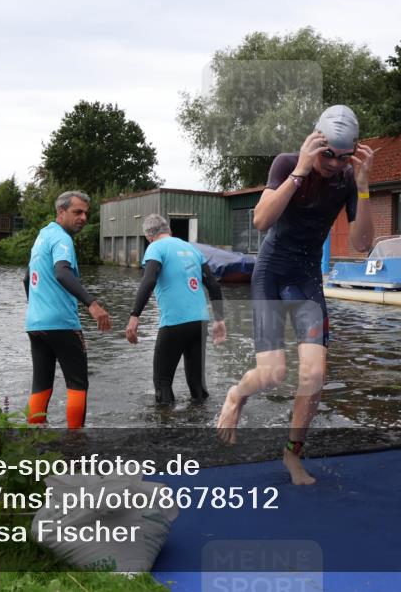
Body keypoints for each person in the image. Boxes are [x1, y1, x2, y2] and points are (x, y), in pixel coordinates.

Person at [217, 105, 375, 485]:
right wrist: (301, 172)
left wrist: (365, 186)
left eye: (343, 157)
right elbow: (261, 220)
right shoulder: (288, 163)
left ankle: (292, 456)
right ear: (315, 141)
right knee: (273, 374)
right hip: (271, 272)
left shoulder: (349, 179)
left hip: (306, 279)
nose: (334, 164)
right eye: (327, 155)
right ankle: (237, 395)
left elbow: (363, 245)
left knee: (315, 374)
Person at [23, 191, 112, 427]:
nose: (83, 217)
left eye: (86, 213)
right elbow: (62, 272)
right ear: (61, 212)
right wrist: (92, 304)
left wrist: (37, 308)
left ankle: (33, 438)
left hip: (35, 324)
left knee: (41, 382)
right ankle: (75, 444)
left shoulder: (42, 236)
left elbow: (26, 278)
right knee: (77, 384)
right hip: (62, 323)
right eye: (77, 212)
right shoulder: (62, 239)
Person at [125, 214, 227, 405]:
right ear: (169, 230)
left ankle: (165, 429)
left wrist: (135, 315)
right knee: (198, 384)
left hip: (174, 323)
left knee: (162, 383)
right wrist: (220, 320)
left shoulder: (155, 247)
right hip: (200, 322)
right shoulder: (191, 248)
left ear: (148, 236)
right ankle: (201, 424)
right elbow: (213, 284)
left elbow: (149, 280)